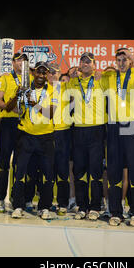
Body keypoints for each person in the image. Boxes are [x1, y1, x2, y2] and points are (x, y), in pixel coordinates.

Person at [100, 48, 134, 227]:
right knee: (114, 170)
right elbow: (95, 79)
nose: (122, 63)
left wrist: (131, 55)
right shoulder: (110, 78)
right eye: (119, 60)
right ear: (115, 62)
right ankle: (115, 212)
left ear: (129, 61)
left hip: (131, 125)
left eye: (125, 60)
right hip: (113, 125)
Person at [9, 62, 57, 220]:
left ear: (47, 75)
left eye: (44, 73)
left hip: (46, 137)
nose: (41, 76)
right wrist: (17, 95)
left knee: (46, 175)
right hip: (26, 136)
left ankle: (44, 207)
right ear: (33, 73)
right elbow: (10, 108)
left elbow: (50, 114)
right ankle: (18, 206)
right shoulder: (25, 89)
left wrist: (35, 104)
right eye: (38, 72)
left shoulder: (53, 90)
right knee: (20, 173)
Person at [68, 52, 106, 221]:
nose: (85, 64)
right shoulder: (73, 82)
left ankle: (95, 207)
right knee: (79, 171)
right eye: (83, 61)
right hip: (78, 131)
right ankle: (82, 206)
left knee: (96, 171)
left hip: (97, 130)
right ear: (79, 65)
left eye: (89, 62)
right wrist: (70, 76)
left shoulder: (101, 80)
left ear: (94, 65)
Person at [0, 52, 28, 213]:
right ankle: (0, 198)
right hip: (8, 122)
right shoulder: (5, 78)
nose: (22, 63)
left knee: (20, 164)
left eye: (24, 60)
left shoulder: (31, 78)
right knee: (4, 161)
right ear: (13, 62)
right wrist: (12, 108)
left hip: (26, 123)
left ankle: (18, 199)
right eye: (19, 60)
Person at [48, 63, 73, 216]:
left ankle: (63, 203)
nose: (52, 75)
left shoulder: (66, 87)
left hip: (63, 133)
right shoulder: (41, 89)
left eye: (55, 72)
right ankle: (48, 202)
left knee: (63, 171)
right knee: (47, 171)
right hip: (46, 133)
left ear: (59, 73)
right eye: (49, 72)